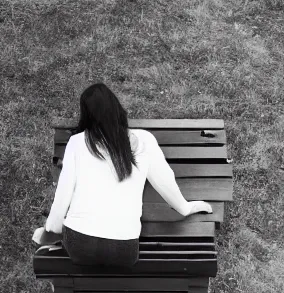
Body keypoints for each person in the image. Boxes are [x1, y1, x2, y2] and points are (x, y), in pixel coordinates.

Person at [32, 82, 212, 267]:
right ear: (117, 108)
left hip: (80, 247)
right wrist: (186, 208)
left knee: (54, 235)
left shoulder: (77, 142)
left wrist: (49, 232)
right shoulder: (144, 140)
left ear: (86, 115)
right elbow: (167, 185)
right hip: (124, 251)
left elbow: (60, 204)